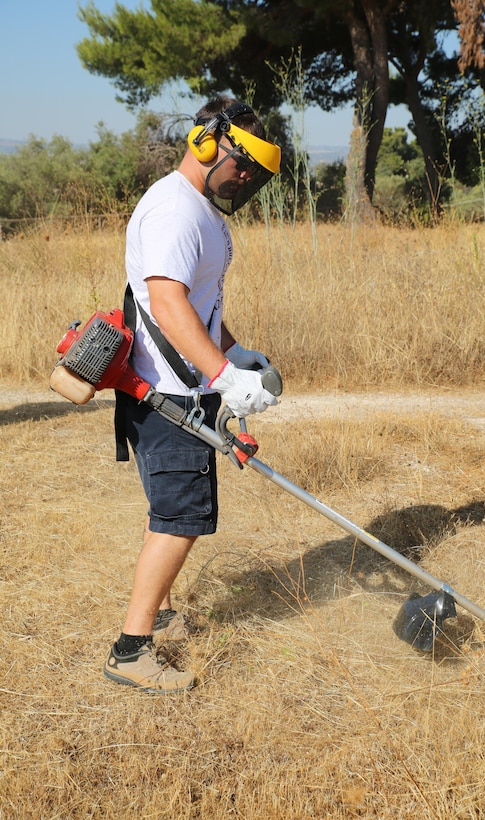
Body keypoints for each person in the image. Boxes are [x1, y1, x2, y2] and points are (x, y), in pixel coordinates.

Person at [103, 97, 281, 692]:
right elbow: (169, 303)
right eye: (243, 165)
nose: (246, 179)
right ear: (208, 144)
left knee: (172, 510)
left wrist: (231, 353)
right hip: (165, 395)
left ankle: (163, 612)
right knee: (178, 519)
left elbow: (200, 309)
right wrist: (225, 380)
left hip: (181, 386)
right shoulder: (175, 211)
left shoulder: (200, 212)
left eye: (255, 173)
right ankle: (131, 650)